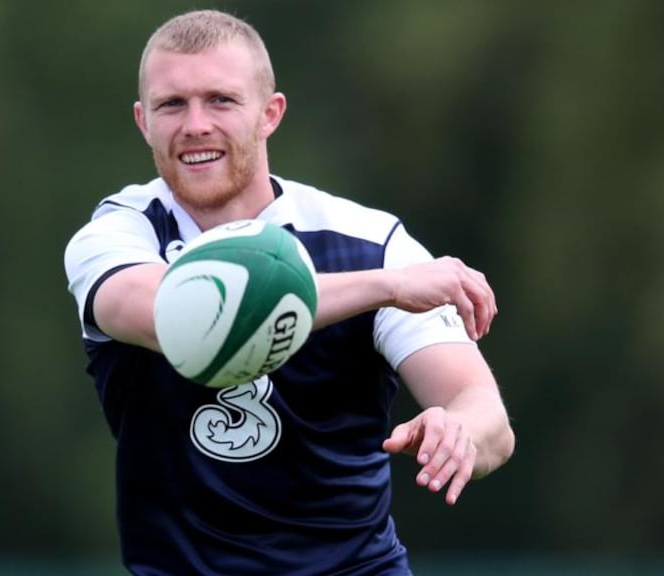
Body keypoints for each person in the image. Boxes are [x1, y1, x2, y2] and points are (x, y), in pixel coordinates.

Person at [63, 9, 515, 575]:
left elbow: (488, 419)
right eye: (171, 104)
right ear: (142, 121)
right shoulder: (120, 233)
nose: (195, 124)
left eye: (221, 100)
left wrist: (457, 431)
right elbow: (183, 316)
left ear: (269, 114)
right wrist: (386, 287)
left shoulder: (369, 241)